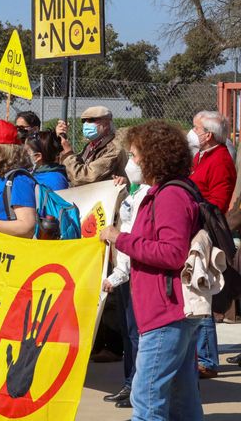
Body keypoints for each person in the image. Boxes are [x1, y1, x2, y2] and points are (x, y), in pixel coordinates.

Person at [99, 120, 203, 421]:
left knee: (145, 402)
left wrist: (122, 239)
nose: (131, 162)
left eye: (134, 155)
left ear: (153, 156)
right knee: (182, 400)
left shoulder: (170, 196)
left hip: (165, 312)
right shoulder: (167, 191)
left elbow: (172, 253)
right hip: (170, 310)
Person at [187, 111, 236, 379]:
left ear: (208, 135)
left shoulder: (220, 160)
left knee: (201, 293)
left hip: (205, 232)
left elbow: (218, 201)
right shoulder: (202, 156)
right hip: (196, 228)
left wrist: (191, 207)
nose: (191, 131)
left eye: (195, 127)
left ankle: (206, 358)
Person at [101, 161, 149, 409]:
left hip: (131, 274)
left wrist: (119, 273)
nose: (131, 161)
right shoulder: (133, 190)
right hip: (124, 271)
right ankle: (130, 382)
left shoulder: (147, 194)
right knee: (130, 334)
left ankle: (137, 387)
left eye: (135, 155)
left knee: (136, 335)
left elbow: (132, 235)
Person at [56, 106, 126, 186]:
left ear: (106, 124)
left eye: (91, 120)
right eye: (84, 121)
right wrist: (59, 140)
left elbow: (82, 177)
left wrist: (68, 153)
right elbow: (70, 169)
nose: (86, 124)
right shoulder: (90, 146)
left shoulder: (113, 149)